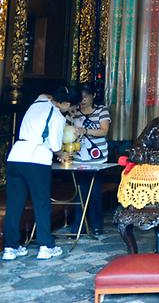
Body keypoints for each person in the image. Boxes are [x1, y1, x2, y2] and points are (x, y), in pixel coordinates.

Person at [2, 86, 78, 260]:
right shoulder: (58, 117)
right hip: (37, 159)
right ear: (66, 103)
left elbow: (44, 94)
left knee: (14, 205)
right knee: (42, 204)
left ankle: (10, 247)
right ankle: (46, 246)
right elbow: (55, 145)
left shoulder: (39, 102)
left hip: (15, 157)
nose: (70, 111)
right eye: (71, 107)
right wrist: (62, 154)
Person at [65, 84, 110, 235]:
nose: (83, 100)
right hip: (78, 157)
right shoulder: (74, 112)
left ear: (93, 96)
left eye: (86, 96)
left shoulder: (101, 111)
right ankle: (79, 226)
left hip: (97, 159)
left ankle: (96, 225)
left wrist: (85, 130)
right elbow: (66, 129)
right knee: (80, 191)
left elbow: (104, 131)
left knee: (95, 191)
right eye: (81, 97)